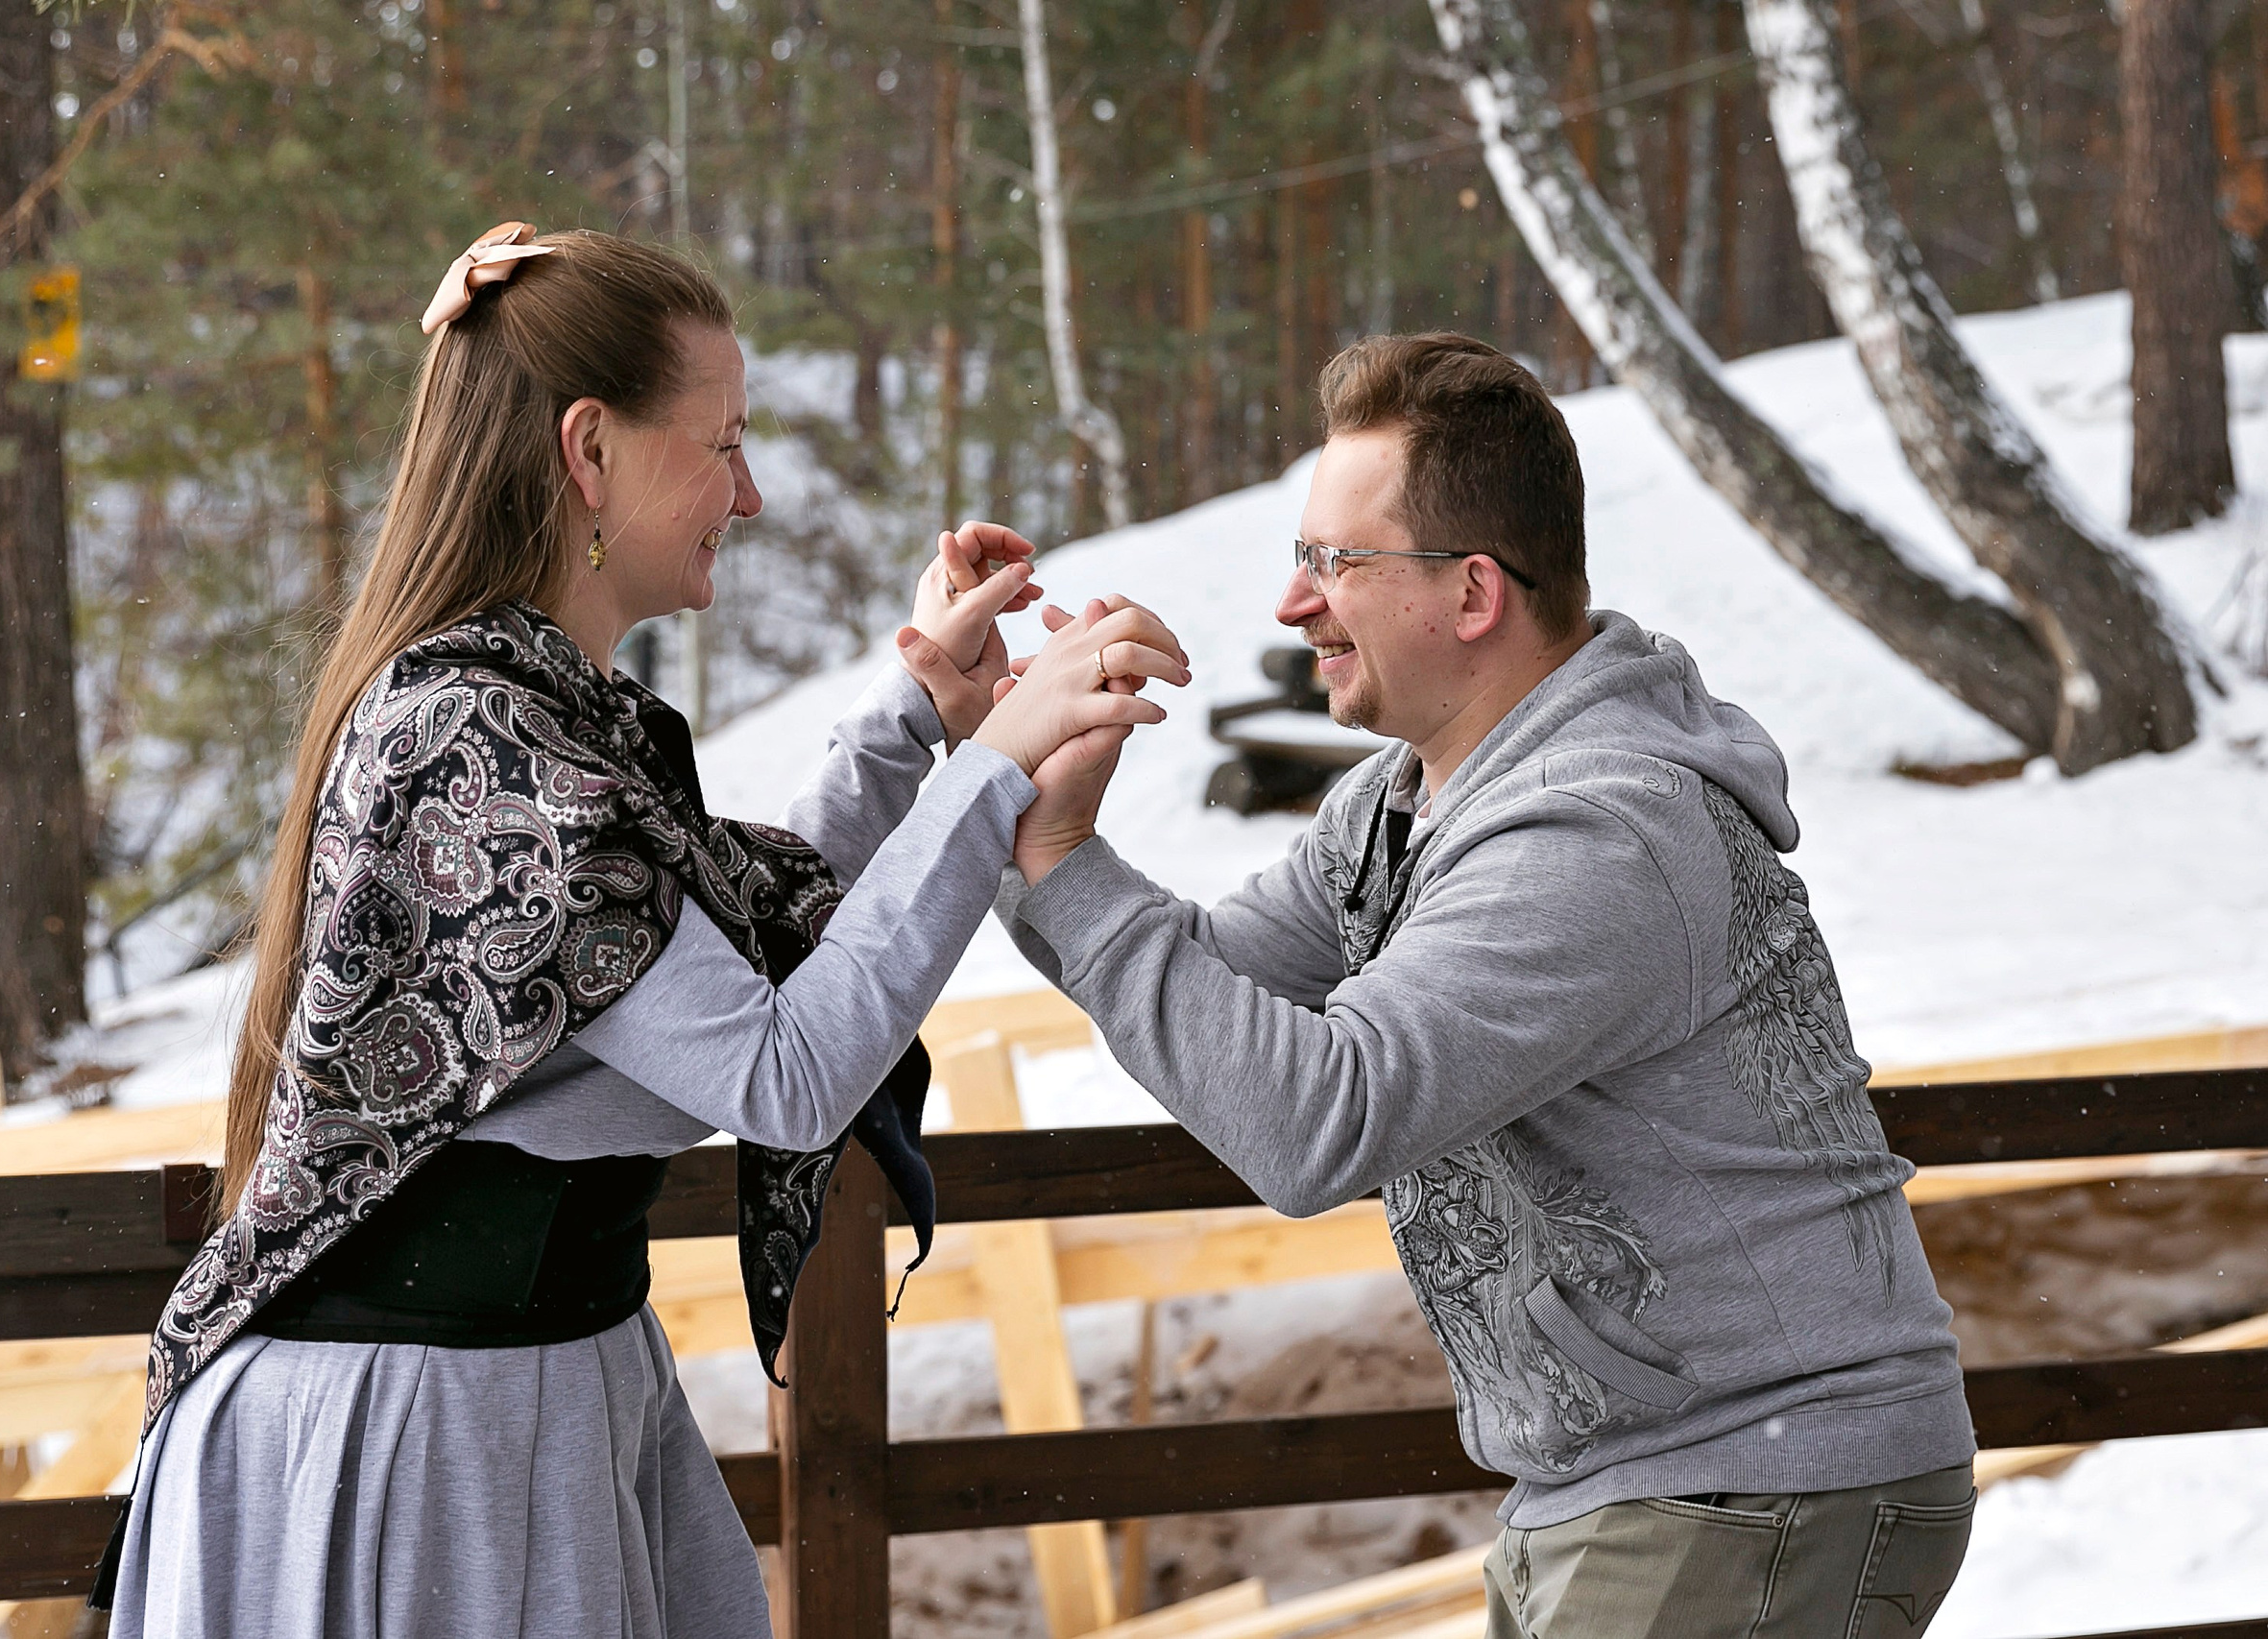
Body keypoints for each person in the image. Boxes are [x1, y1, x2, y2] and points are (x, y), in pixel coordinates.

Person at [104, 224, 1188, 1639]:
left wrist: (925, 717)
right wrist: (993, 776)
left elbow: (738, 948)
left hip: (536, 1388)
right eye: (723, 443)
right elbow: (785, 1068)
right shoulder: (471, 741)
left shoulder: (545, 711)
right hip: (413, 1434)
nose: (750, 492)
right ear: (590, 450)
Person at [981, 333, 1977, 1638]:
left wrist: (1054, 853)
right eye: (1301, 559)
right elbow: (1208, 994)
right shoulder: (1400, 807)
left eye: (1337, 563)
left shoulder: (1608, 834)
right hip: (1625, 1479)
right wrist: (1008, 798)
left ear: (1472, 595)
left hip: (1755, 1480)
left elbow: (1317, 1119)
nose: (1296, 606)